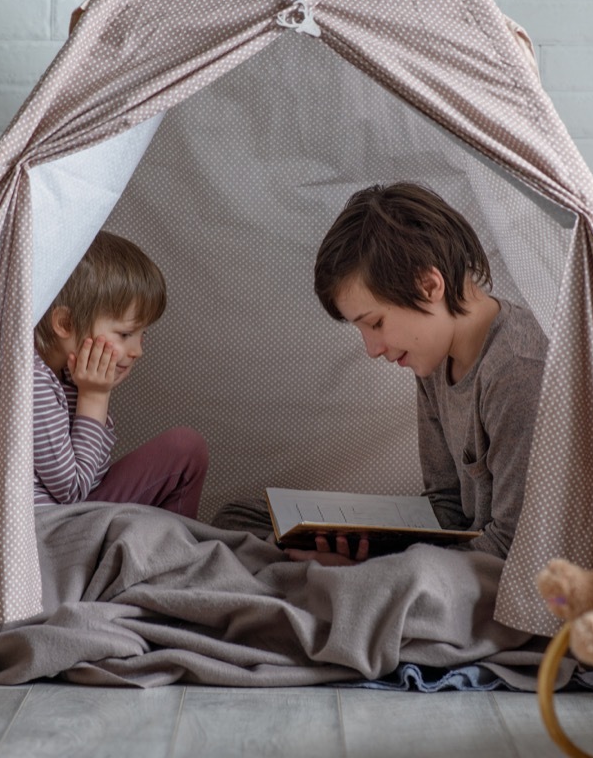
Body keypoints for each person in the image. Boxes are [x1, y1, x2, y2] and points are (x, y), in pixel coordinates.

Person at [215, 182, 548, 565]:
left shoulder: (518, 369)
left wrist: (370, 568)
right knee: (240, 518)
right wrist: (365, 541)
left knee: (292, 561)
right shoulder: (435, 359)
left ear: (428, 286)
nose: (373, 350)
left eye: (374, 323)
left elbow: (513, 549)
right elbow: (445, 505)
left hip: (496, 568)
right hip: (457, 552)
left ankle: (337, 580)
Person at [32, 230, 208, 517]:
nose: (137, 350)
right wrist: (95, 397)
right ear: (64, 323)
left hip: (75, 509)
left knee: (186, 449)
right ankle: (178, 552)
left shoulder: (67, 375)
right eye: (125, 334)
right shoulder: (33, 381)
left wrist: (89, 394)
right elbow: (72, 491)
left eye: (141, 335)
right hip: (50, 528)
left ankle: (178, 548)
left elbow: (95, 476)